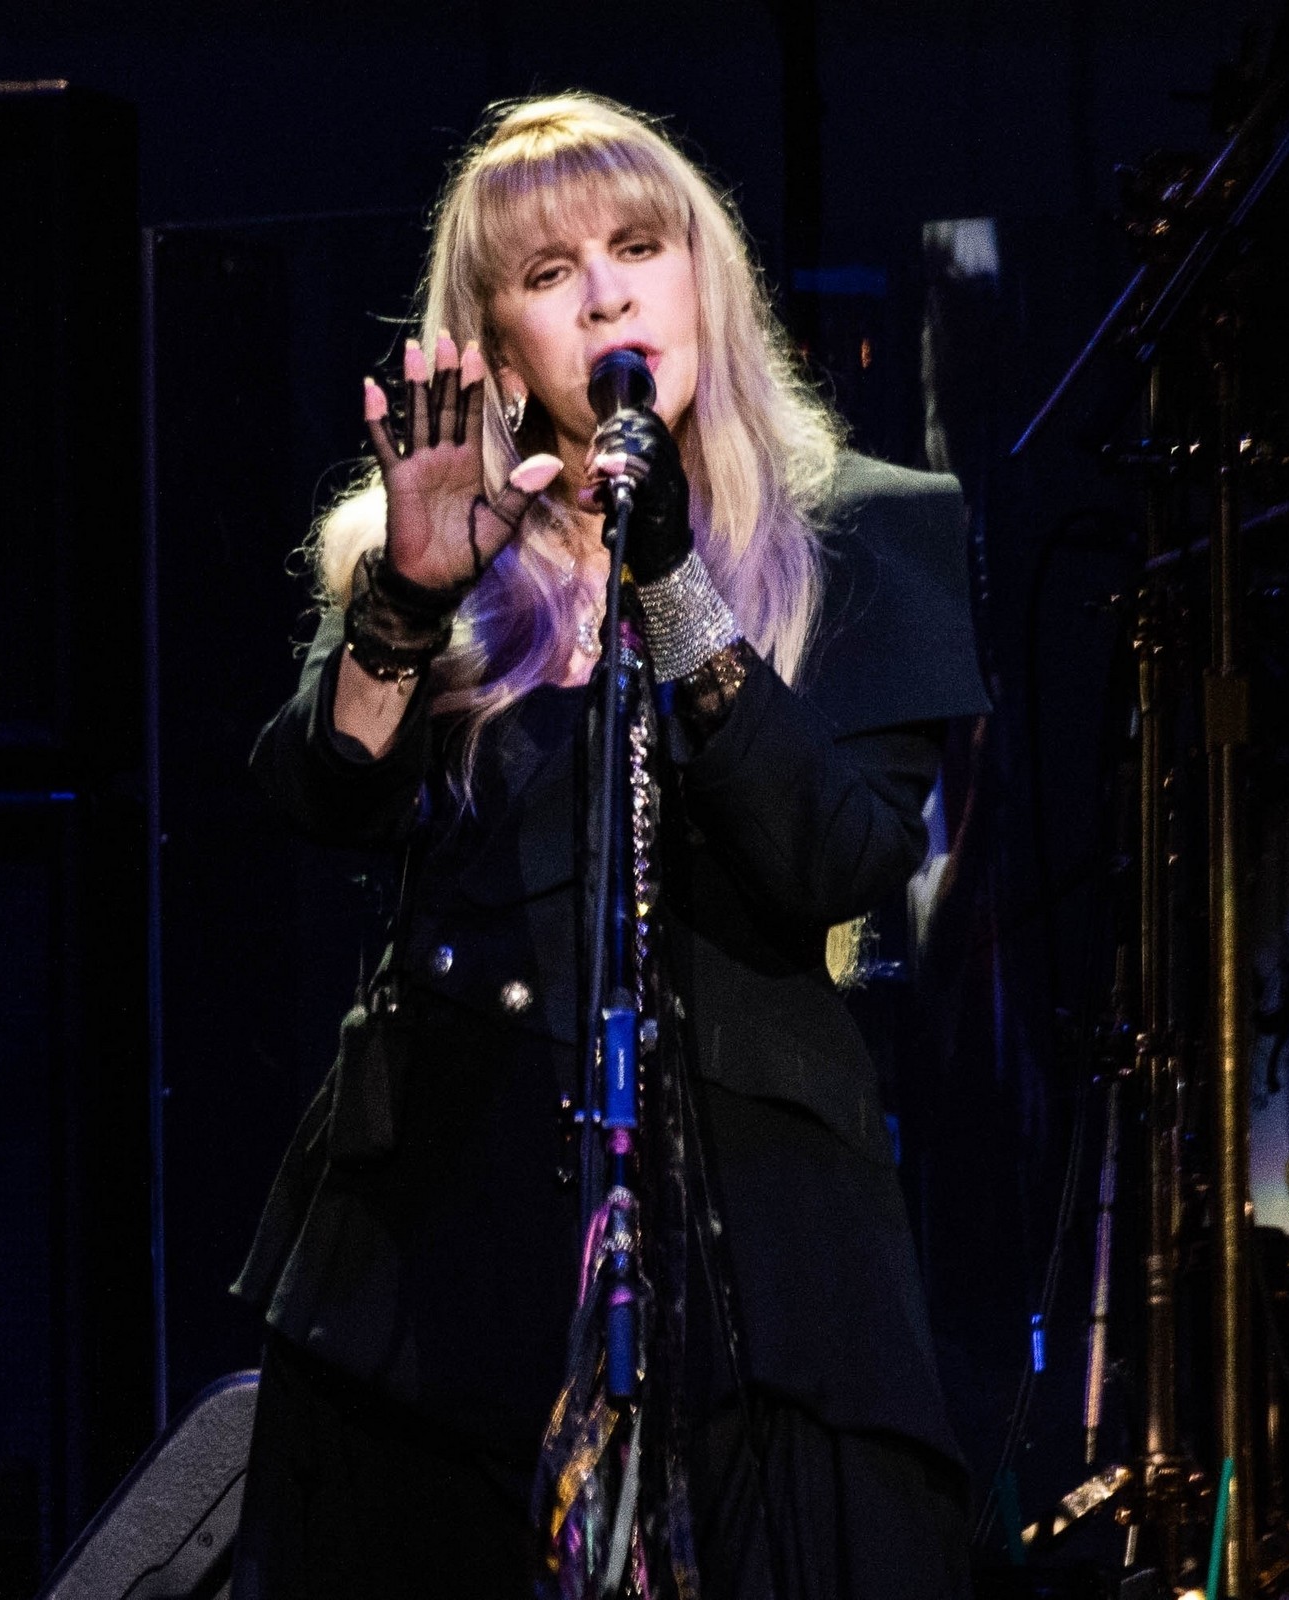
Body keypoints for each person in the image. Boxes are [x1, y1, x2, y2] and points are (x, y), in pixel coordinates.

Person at [229, 91, 987, 1599]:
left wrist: (672, 584)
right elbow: (321, 802)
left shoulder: (867, 534)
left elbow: (838, 861)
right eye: (549, 272)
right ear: (502, 347)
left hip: (759, 1274)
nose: (606, 296)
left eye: (639, 248)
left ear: (703, 275)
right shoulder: (427, 556)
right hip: (437, 1266)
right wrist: (408, 599)